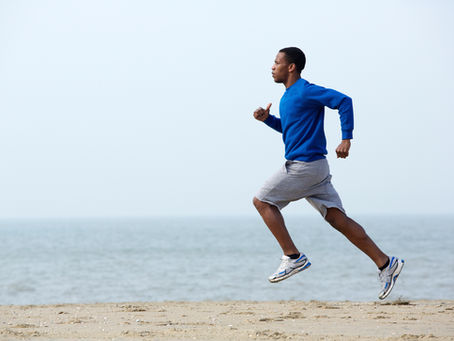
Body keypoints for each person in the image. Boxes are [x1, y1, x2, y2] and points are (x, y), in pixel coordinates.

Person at [252, 47, 404, 300]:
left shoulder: (306, 90)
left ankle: (293, 257)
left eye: (277, 62)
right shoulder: (288, 97)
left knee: (262, 201)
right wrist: (269, 120)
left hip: (304, 166)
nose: (272, 66)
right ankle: (386, 263)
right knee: (337, 219)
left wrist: (347, 138)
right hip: (316, 168)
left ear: (291, 67)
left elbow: (344, 101)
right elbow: (292, 131)